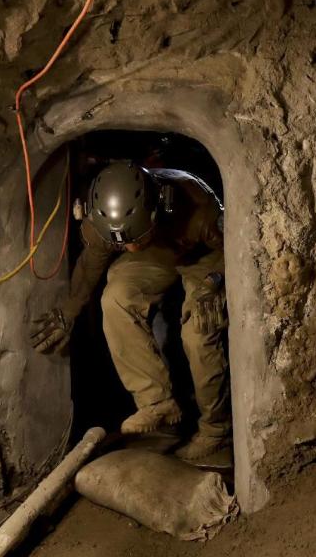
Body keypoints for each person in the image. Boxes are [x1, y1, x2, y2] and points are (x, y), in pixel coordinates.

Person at [30, 161, 230, 462]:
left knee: (199, 332)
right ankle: (157, 403)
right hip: (157, 252)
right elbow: (91, 265)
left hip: (206, 255)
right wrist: (68, 311)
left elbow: (237, 246)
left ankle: (216, 432)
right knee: (116, 298)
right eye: (123, 243)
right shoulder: (99, 222)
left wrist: (215, 283)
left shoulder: (199, 210)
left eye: (134, 238)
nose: (129, 248)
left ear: (156, 209)